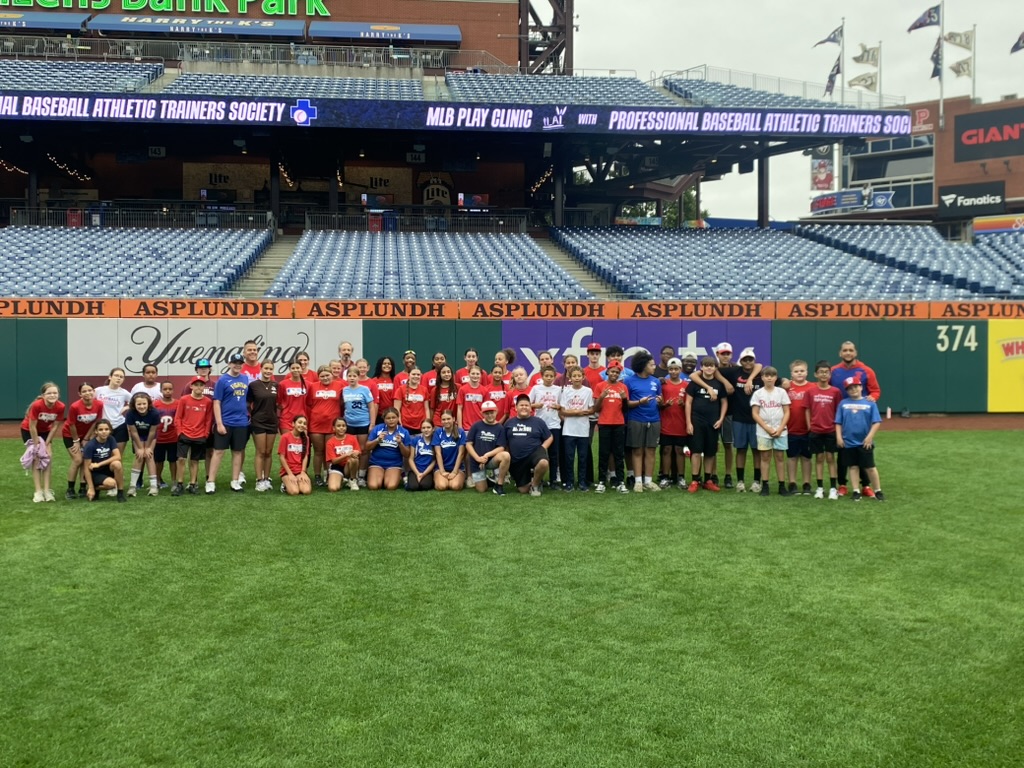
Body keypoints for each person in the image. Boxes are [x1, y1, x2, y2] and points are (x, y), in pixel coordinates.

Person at [829, 341, 882, 495]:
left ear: (855, 352)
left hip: (860, 416)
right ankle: (842, 484)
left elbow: (875, 391)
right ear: (840, 353)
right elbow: (824, 386)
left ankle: (865, 485)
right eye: (845, 350)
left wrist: (872, 398)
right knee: (843, 453)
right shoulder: (834, 371)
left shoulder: (866, 370)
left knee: (863, 452)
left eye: (851, 350)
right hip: (840, 415)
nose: (848, 353)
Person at [835, 377, 885, 502]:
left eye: (856, 387)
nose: (853, 390)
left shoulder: (870, 403)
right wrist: (839, 437)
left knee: (870, 467)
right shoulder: (843, 403)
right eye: (850, 388)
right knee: (853, 466)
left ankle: (878, 490)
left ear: (861, 387)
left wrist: (869, 437)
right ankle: (856, 490)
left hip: (864, 442)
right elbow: (838, 422)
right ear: (846, 390)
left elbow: (876, 422)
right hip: (848, 441)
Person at [208, 352, 251, 494]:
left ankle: (235, 481)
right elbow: (216, 402)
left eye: (240, 363)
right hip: (226, 421)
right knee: (218, 451)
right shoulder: (222, 380)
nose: (237, 365)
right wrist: (219, 423)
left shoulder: (245, 378)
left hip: (241, 422)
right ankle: (210, 482)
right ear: (229, 364)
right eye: (235, 363)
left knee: (237, 451)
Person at [684, 357, 728, 493]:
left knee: (710, 452)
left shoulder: (718, 384)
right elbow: (688, 403)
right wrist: (688, 422)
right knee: (696, 451)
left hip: (713, 422)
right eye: (706, 365)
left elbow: (724, 402)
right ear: (701, 367)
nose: (709, 368)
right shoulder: (694, 384)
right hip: (697, 421)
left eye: (712, 366)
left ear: (715, 368)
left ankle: (708, 480)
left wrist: (721, 419)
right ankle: (695, 480)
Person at [750, 367, 792, 497]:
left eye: (772, 375)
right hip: (763, 431)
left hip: (781, 431)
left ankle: (781, 485)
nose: (769, 378)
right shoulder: (758, 394)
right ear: (762, 377)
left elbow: (787, 412)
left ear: (776, 378)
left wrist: (780, 428)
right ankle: (765, 485)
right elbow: (755, 413)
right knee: (765, 457)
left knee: (779, 457)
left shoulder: (781, 392)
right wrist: (767, 428)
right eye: (766, 375)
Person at [21, 382, 65, 503]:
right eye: (49, 393)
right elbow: (32, 426)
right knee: (36, 458)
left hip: (46, 432)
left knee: (48, 457)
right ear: (43, 395)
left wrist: (46, 443)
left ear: (58, 394)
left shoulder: (60, 406)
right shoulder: (37, 405)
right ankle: (38, 492)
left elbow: (55, 427)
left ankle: (47, 490)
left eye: (55, 393)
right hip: (29, 430)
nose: (52, 395)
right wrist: (36, 445)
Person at [625, 351, 663, 493]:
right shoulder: (629, 381)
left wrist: (660, 401)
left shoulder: (656, 381)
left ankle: (648, 481)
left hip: (654, 420)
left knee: (651, 450)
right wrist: (640, 402)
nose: (654, 367)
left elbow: (660, 400)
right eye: (651, 365)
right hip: (636, 419)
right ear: (643, 365)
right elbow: (626, 403)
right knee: (637, 450)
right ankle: (638, 481)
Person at [504, 394, 553, 496]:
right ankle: (533, 478)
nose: (524, 407)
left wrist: (542, 448)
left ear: (531, 408)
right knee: (523, 490)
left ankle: (535, 485)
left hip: (534, 454)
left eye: (526, 405)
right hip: (517, 459)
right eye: (521, 405)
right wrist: (508, 455)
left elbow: (550, 437)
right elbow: (505, 441)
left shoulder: (538, 422)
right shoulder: (509, 423)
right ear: (516, 408)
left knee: (543, 462)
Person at [172, 377, 214, 496]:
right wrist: (180, 431)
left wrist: (206, 433)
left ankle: (192, 484)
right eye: (196, 385)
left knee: (194, 460)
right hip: (185, 434)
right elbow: (178, 417)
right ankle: (180, 484)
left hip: (200, 435)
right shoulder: (184, 399)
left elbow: (208, 419)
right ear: (191, 386)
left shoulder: (208, 402)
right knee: (181, 459)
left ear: (204, 387)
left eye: (201, 385)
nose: (199, 387)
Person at [62, 382, 104, 500]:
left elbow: (96, 421)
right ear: (79, 394)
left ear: (94, 391)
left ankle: (82, 487)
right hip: (71, 435)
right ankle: (70, 489)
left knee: (86, 460)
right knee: (77, 460)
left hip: (86, 435)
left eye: (90, 390)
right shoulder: (75, 406)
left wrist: (86, 438)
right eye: (84, 391)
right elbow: (71, 424)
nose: (87, 393)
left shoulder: (99, 404)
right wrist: (76, 440)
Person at [593, 361, 629, 493]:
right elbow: (596, 409)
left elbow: (625, 410)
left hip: (619, 424)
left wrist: (624, 399)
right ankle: (602, 481)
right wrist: (601, 397)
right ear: (607, 372)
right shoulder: (600, 386)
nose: (614, 374)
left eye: (617, 372)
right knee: (604, 453)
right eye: (612, 371)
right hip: (604, 423)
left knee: (619, 454)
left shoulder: (623, 387)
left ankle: (620, 482)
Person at [809, 360, 843, 500]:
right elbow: (807, 409)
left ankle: (833, 488)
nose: (823, 374)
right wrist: (809, 425)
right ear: (815, 374)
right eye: (821, 372)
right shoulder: (811, 391)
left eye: (826, 372)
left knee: (830, 457)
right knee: (819, 458)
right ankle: (820, 488)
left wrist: (837, 428)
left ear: (830, 374)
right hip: (816, 430)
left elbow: (838, 411)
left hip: (830, 430)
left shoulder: (835, 391)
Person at [306, 364, 343, 487]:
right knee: (318, 451)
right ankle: (317, 476)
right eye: (322, 376)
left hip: (332, 425)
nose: (325, 378)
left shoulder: (340, 385)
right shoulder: (313, 386)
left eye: (327, 375)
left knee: (330, 452)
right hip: (316, 424)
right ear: (318, 377)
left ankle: (329, 474)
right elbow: (308, 404)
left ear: (332, 375)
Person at [559, 366, 594, 492]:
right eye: (574, 376)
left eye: (579, 376)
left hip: (583, 430)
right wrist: (576, 412)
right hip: (569, 430)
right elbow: (562, 411)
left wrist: (581, 412)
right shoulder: (566, 391)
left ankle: (582, 482)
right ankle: (569, 482)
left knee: (583, 457)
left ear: (583, 377)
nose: (577, 378)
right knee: (569, 457)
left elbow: (591, 409)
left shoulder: (588, 391)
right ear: (570, 378)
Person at [247, 360, 279, 492]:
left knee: (268, 452)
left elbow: (280, 403)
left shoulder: (276, 385)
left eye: (270, 369)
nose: (268, 371)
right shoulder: (253, 385)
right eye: (266, 368)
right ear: (261, 369)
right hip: (258, 422)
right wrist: (249, 416)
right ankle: (259, 480)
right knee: (260, 451)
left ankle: (266, 478)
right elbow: (247, 403)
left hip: (272, 422)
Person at [465, 400, 510, 494]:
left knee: (506, 455)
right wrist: (477, 458)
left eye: (492, 413)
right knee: (481, 489)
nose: (490, 415)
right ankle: (489, 479)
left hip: (491, 460)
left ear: (496, 411)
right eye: (487, 413)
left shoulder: (500, 428)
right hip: (477, 461)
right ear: (482, 413)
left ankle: (499, 484)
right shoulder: (476, 426)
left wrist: (486, 455)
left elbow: (501, 447)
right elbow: (468, 444)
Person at [658, 358, 690, 489]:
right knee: (666, 449)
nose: (673, 371)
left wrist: (683, 405)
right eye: (671, 369)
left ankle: (681, 477)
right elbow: (659, 404)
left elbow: (690, 405)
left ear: (680, 370)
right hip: (666, 423)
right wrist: (665, 405)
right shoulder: (663, 385)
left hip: (680, 424)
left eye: (676, 369)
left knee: (679, 450)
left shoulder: (686, 386)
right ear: (668, 370)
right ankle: (665, 477)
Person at [784, 359, 815, 495]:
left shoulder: (812, 387)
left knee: (806, 457)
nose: (799, 373)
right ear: (791, 373)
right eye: (796, 371)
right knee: (792, 457)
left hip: (808, 429)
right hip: (791, 428)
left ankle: (806, 483)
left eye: (802, 371)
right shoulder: (786, 387)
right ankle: (792, 482)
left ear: (807, 372)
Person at [529, 365, 562, 487]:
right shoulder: (536, 388)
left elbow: (562, 405)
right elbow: (527, 403)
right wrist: (535, 405)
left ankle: (554, 480)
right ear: (542, 376)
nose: (549, 378)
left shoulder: (558, 389)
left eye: (551, 376)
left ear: (555, 377)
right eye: (546, 376)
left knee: (554, 454)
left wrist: (558, 407)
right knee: (538, 453)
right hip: (539, 425)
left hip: (554, 425)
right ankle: (538, 479)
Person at [342, 367, 375, 487]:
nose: (352, 378)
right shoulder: (344, 390)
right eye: (349, 376)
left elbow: (371, 407)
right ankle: (352, 475)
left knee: (363, 449)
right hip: (349, 424)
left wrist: (372, 423)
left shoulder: (364, 389)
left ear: (358, 377)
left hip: (363, 423)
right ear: (347, 377)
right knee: (351, 450)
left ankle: (361, 475)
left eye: (354, 376)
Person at [366, 407, 411, 490]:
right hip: (377, 463)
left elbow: (407, 454)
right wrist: (377, 440)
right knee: (373, 486)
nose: (391, 420)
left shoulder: (404, 432)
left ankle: (392, 476)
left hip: (394, 464)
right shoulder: (378, 429)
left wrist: (400, 443)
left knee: (391, 486)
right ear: (384, 419)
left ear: (398, 418)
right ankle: (380, 476)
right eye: (388, 418)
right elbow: (367, 447)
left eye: (393, 417)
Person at [124, 392, 160, 497]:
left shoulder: (154, 413)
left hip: (150, 436)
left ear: (148, 404)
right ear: (134, 405)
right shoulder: (130, 413)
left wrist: (148, 447)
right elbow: (133, 432)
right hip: (138, 436)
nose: (142, 406)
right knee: (139, 456)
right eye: (139, 404)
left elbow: (152, 431)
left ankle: (153, 487)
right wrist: (140, 448)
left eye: (144, 404)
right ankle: (132, 487)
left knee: (149, 456)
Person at [82, 419, 126, 503]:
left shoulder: (111, 439)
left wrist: (99, 464)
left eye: (106, 429)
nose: (104, 432)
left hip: (105, 468)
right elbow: (86, 468)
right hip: (95, 473)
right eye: (100, 430)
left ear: (110, 431)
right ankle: (95, 488)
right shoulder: (90, 445)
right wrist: (91, 488)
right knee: (112, 484)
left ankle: (120, 493)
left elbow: (118, 456)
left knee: (117, 464)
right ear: (96, 431)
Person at [95, 367, 132, 458]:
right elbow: (87, 400)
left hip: (119, 426)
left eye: (121, 377)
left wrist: (126, 407)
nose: (118, 378)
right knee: (102, 455)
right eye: (116, 375)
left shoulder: (124, 393)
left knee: (117, 457)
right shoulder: (99, 390)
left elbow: (136, 402)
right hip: (104, 426)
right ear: (110, 377)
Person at [152, 381, 178, 491]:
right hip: (159, 438)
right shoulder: (155, 404)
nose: (167, 391)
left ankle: (174, 481)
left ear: (173, 390)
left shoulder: (178, 403)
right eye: (165, 389)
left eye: (170, 389)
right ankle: (158, 481)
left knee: (173, 460)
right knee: (159, 461)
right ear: (161, 390)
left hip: (173, 438)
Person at [432, 410, 467, 491]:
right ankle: (440, 479)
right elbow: (438, 453)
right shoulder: (438, 432)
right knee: (442, 486)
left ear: (453, 419)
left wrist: (454, 472)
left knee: (455, 486)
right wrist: (442, 471)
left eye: (448, 419)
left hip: (457, 468)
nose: (446, 421)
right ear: (441, 421)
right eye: (443, 419)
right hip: (442, 467)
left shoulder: (460, 432)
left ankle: (459, 479)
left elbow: (461, 454)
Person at [279, 415, 312, 496]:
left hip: (299, 471)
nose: (302, 425)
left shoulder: (306, 438)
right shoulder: (285, 437)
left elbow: (305, 457)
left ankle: (296, 481)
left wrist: (303, 472)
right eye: (299, 422)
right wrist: (290, 474)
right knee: (294, 492)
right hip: (287, 471)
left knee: (306, 491)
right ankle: (285, 484)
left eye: (304, 423)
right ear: (293, 424)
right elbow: (282, 457)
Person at [325, 417, 361, 491]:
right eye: (338, 426)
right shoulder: (330, 442)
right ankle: (342, 480)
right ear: (334, 428)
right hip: (337, 466)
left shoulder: (352, 438)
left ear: (346, 427)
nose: (341, 428)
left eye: (343, 426)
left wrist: (356, 453)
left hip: (349, 465)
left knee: (354, 459)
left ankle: (352, 480)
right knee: (333, 488)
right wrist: (346, 455)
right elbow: (334, 461)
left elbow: (358, 452)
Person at [276, 359, 308, 434]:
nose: (295, 370)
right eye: (293, 368)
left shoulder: (308, 384)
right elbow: (278, 402)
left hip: (302, 419)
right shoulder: (282, 384)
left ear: (301, 368)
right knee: (287, 440)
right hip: (286, 420)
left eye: (297, 368)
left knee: (302, 441)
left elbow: (309, 402)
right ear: (289, 369)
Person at [395, 367, 431, 432]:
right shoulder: (400, 389)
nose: (416, 376)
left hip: (421, 425)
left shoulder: (424, 390)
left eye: (418, 375)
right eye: (413, 374)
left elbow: (426, 408)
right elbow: (397, 408)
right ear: (409, 376)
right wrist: (399, 421)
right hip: (405, 425)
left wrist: (427, 422)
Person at [406, 419, 437, 491]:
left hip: (427, 471)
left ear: (433, 429)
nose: (426, 430)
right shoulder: (415, 440)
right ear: (421, 429)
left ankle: (431, 479)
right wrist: (417, 473)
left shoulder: (435, 441)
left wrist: (424, 474)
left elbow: (434, 461)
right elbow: (410, 459)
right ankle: (407, 480)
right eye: (423, 428)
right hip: (415, 470)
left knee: (425, 486)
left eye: (428, 427)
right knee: (413, 487)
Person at [456, 365, 488, 431]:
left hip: (480, 426)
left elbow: (486, 410)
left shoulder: (485, 390)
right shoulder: (462, 389)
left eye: (477, 374)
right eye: (473, 373)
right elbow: (459, 409)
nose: (475, 376)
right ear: (468, 374)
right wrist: (460, 427)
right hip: (466, 427)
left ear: (481, 375)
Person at [371, 356, 397, 422]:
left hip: (392, 414)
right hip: (378, 414)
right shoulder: (374, 380)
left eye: (389, 364)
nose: (387, 365)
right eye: (384, 363)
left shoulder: (395, 380)